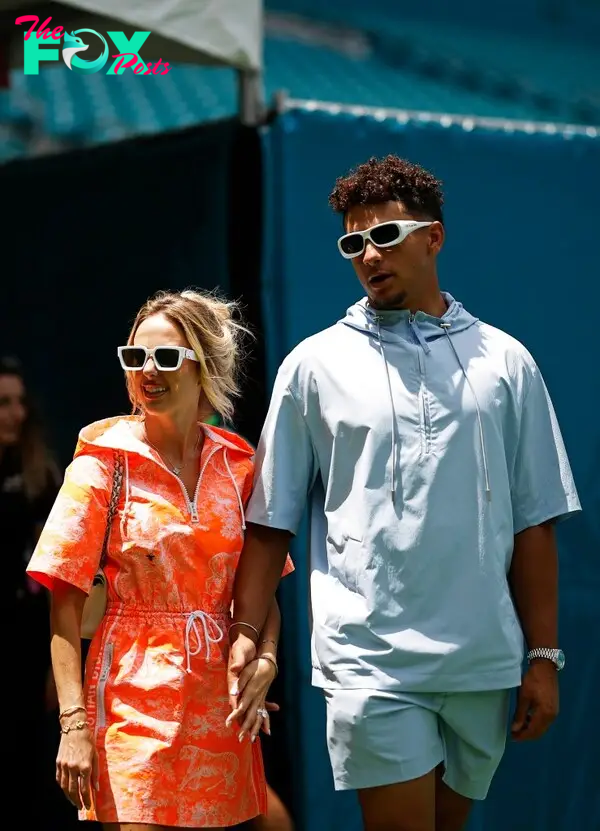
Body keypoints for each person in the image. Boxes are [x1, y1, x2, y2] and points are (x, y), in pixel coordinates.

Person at [227, 155, 582, 831]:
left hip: (483, 660)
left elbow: (535, 520)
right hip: (369, 661)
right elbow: (270, 521)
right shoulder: (313, 363)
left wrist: (543, 656)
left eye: (385, 236)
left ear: (434, 237)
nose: (368, 254)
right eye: (352, 242)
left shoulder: (509, 362)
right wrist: (246, 632)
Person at [27, 289, 293, 830]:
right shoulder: (103, 461)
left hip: (222, 701)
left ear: (203, 368)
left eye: (167, 357)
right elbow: (63, 601)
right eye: (135, 357)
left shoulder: (239, 465)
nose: (148, 371)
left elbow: (260, 593)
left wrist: (266, 656)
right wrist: (72, 724)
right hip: (130, 693)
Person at [1, 355, 62, 826]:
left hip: (28, 652)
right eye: (3, 403)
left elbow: (60, 582)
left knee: (32, 776)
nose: (15, 414)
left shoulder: (43, 481)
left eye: (20, 403)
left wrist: (56, 668)